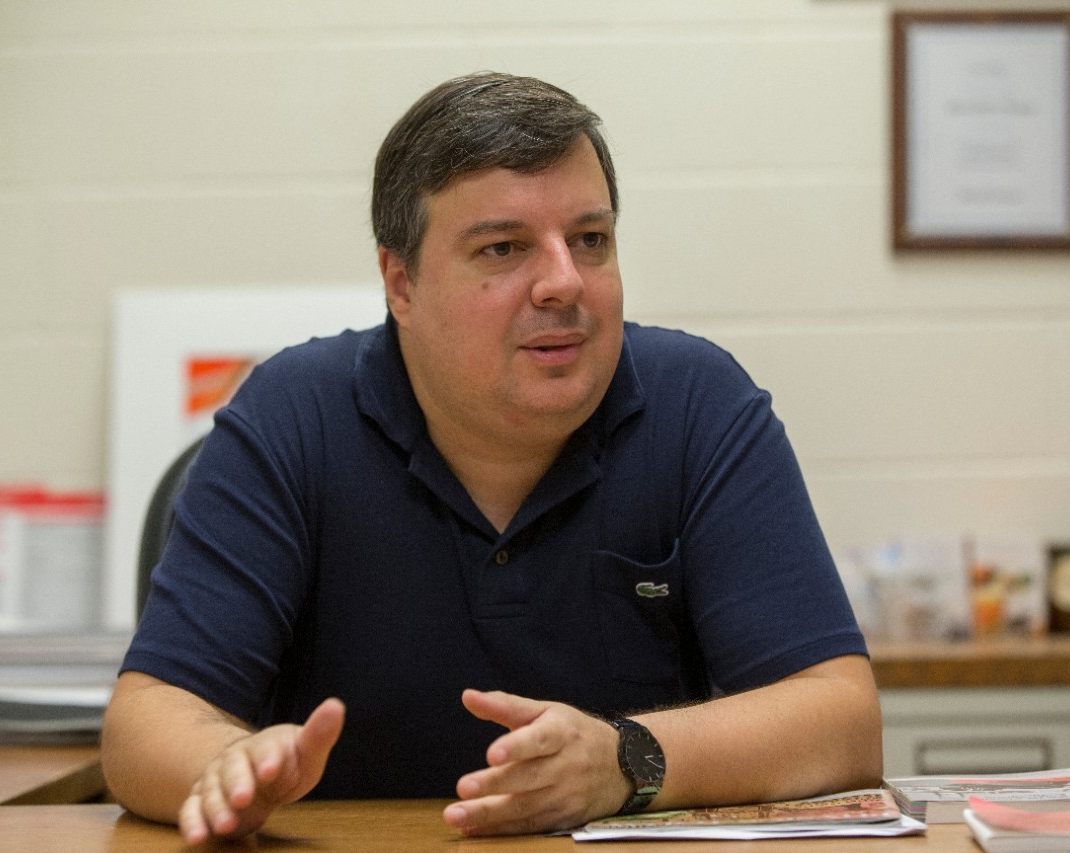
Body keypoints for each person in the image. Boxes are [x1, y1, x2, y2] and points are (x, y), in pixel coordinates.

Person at [101, 71, 882, 843]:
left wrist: (624, 758)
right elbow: (146, 722)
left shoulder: (697, 404)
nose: (564, 282)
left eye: (591, 240)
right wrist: (227, 766)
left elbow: (841, 718)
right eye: (504, 248)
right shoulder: (291, 415)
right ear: (401, 284)